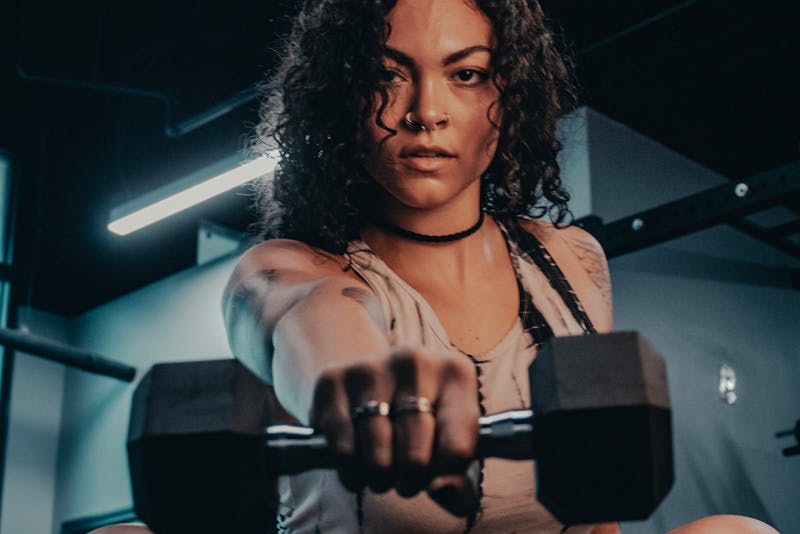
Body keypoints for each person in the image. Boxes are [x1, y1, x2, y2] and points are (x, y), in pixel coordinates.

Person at [95, 0, 779, 532]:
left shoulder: (573, 265)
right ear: (342, 103)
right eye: (386, 76)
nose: (427, 113)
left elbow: (594, 506)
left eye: (466, 73)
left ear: (506, 99)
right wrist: (357, 381)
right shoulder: (284, 271)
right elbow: (316, 319)